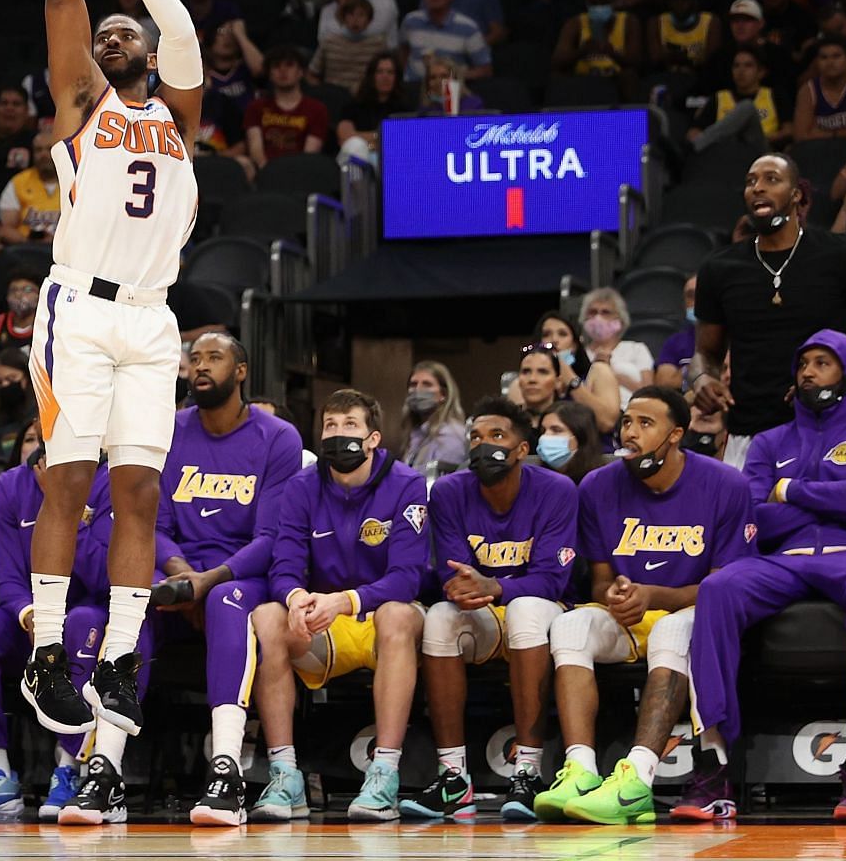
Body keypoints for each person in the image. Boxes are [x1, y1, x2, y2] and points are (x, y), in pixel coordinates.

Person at [14, 0, 204, 827]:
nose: (110, 34)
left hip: (152, 317)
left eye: (123, 30)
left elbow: (185, 34)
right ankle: (50, 647)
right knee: (69, 481)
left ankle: (121, 661)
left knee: (138, 494)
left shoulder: (180, 117)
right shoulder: (85, 105)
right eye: (104, 31)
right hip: (79, 312)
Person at [683, 331, 846, 824]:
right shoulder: (768, 441)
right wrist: (839, 502)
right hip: (783, 557)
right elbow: (758, 519)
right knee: (717, 588)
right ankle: (712, 761)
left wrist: (790, 491)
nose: (807, 372)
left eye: (822, 363)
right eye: (803, 363)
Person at [531, 388, 755, 825]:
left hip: (698, 615)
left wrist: (656, 596)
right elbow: (598, 580)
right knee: (571, 625)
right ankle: (580, 769)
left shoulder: (726, 484)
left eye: (644, 424)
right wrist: (612, 596)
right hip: (631, 614)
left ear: (675, 435)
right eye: (627, 422)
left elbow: (728, 586)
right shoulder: (597, 484)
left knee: (672, 630)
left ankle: (637, 779)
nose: (630, 433)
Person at [141, 333, 303, 828]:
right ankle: (103, 766)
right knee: (128, 602)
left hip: (241, 573)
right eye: (195, 360)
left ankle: (226, 768)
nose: (201, 367)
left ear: (241, 371)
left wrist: (204, 583)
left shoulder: (278, 437)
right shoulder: (168, 430)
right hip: (179, 568)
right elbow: (155, 526)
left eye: (214, 357)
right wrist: (180, 576)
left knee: (227, 601)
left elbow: (272, 537)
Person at [253, 389, 428, 823]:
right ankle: (285, 774)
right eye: (330, 425)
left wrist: (347, 601)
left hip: (376, 618)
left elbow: (408, 577)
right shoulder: (301, 487)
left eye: (350, 425)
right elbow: (285, 565)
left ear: (373, 438)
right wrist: (295, 599)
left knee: (397, 614)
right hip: (325, 623)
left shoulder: (406, 483)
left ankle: (384, 773)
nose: (338, 434)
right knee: (267, 616)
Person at [401, 397, 578, 823]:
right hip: (482, 611)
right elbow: (454, 574)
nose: (484, 445)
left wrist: (496, 585)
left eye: (497, 436)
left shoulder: (557, 490)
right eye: (475, 437)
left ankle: (529, 770)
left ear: (522, 449)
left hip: (541, 612)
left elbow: (552, 579)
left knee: (527, 610)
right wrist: (473, 588)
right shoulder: (448, 491)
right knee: (441, 618)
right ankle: (453, 778)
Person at [0, 423, 128, 822]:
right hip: (32, 616)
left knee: (81, 621)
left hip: (89, 612)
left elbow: (103, 577)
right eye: (35, 435)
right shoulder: (11, 486)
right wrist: (30, 615)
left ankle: (70, 769)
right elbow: (8, 576)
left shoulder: (111, 479)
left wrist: (66, 509)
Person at [691, 153, 846, 464]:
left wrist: (844, 377)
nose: (758, 187)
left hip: (831, 428)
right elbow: (706, 352)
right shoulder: (719, 268)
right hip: (750, 432)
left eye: (771, 179)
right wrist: (702, 377)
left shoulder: (843, 256)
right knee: (751, 514)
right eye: (751, 181)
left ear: (796, 194)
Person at [244, 46, 329, 167]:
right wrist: (267, 170)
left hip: (301, 172)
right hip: (264, 171)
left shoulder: (317, 109)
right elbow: (255, 149)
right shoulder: (256, 107)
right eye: (276, 66)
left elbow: (310, 154)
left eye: (289, 65)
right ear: (269, 74)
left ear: (301, 72)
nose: (283, 70)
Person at [795, 33, 846, 142]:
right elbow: (800, 136)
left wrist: (830, 134)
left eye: (836, 56)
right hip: (820, 150)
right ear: (816, 62)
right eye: (824, 57)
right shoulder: (808, 90)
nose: (830, 62)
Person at [579, 286, 656, 401]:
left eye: (605, 312)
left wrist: (609, 372)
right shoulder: (578, 354)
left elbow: (649, 393)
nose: (598, 317)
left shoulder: (637, 349)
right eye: (592, 312)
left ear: (620, 318)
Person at [400, 361, 466, 474]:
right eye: (413, 384)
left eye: (427, 385)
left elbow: (443, 482)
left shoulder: (450, 435)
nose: (418, 390)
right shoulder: (417, 433)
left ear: (443, 394)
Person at [533, 401, 605, 482]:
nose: (545, 436)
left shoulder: (600, 481)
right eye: (543, 430)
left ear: (579, 437)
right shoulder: (534, 480)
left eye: (556, 430)